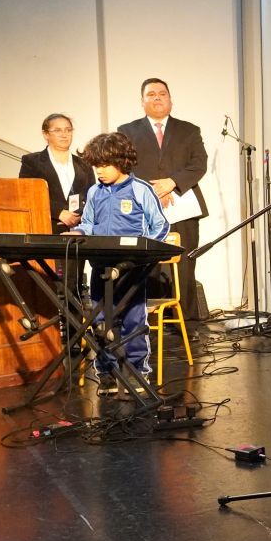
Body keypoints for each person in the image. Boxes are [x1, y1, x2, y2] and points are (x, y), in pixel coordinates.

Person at [73, 132, 170, 396]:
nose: (100, 171)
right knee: (100, 322)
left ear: (122, 161)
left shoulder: (141, 190)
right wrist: (80, 233)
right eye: (96, 166)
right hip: (100, 268)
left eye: (105, 165)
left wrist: (143, 253)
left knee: (133, 322)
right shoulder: (94, 191)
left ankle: (137, 372)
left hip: (131, 271)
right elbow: (88, 224)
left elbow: (160, 226)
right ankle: (106, 374)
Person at [117, 78, 208, 321]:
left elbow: (199, 165)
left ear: (170, 99)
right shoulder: (126, 131)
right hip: (142, 208)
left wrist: (171, 184)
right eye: (151, 94)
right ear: (142, 101)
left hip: (183, 205)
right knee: (147, 265)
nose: (157, 97)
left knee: (185, 264)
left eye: (162, 93)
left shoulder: (189, 130)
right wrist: (152, 191)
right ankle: (149, 322)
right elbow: (123, 167)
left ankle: (186, 323)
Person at [18, 113, 94, 234]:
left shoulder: (84, 164)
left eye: (68, 130)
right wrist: (58, 212)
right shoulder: (31, 161)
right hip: (46, 228)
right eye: (58, 130)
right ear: (46, 134)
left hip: (79, 231)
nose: (64, 135)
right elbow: (26, 195)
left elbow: (92, 196)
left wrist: (80, 216)